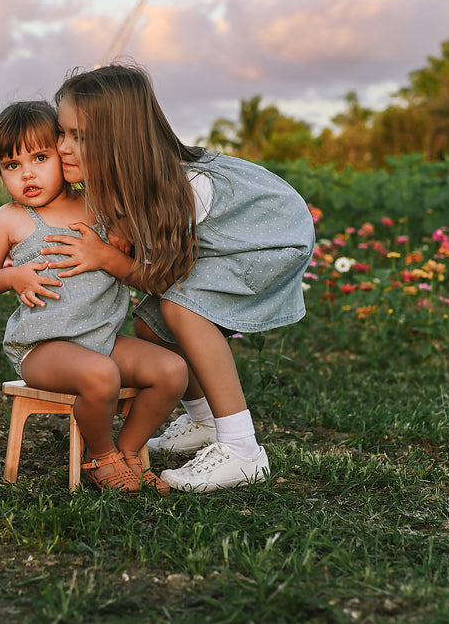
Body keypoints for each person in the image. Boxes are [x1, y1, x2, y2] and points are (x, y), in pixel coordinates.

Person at [42, 63, 315, 492]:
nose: (63, 147)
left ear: (122, 143)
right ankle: (204, 423)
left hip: (272, 240)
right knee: (152, 324)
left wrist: (108, 258)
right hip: (233, 240)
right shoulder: (121, 183)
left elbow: (160, 277)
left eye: (81, 137)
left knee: (180, 308)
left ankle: (243, 451)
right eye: (62, 132)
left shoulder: (181, 189)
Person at [0, 100, 188, 494]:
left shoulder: (100, 206)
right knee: (101, 375)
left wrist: (123, 241)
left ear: (64, 156)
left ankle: (126, 451)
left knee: (172, 371)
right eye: (12, 165)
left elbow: (136, 255)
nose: (28, 173)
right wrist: (12, 276)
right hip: (43, 348)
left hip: (101, 340)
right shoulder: (11, 218)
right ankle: (101, 456)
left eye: (40, 157)